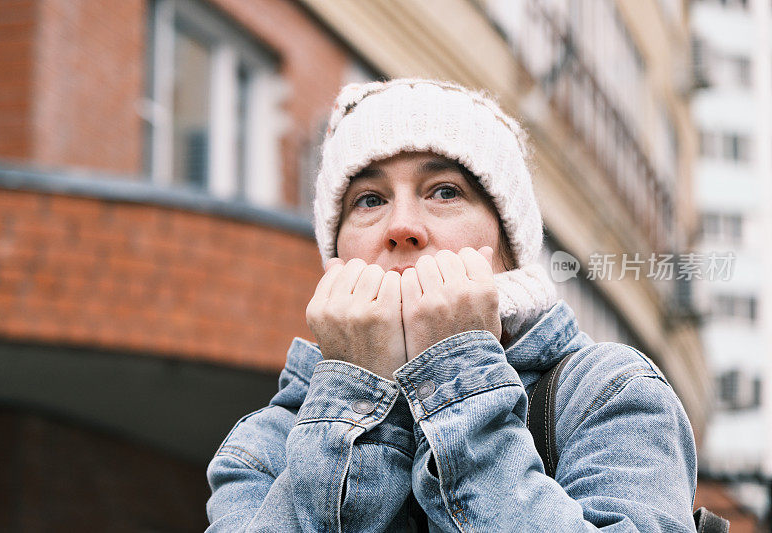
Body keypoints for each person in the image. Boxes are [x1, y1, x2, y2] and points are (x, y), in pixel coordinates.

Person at [205, 79, 697, 532]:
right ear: (337, 254)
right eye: (369, 200)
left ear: (508, 246)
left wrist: (457, 371)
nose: (401, 226)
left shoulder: (607, 394)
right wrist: (350, 405)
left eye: (445, 192)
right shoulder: (266, 447)